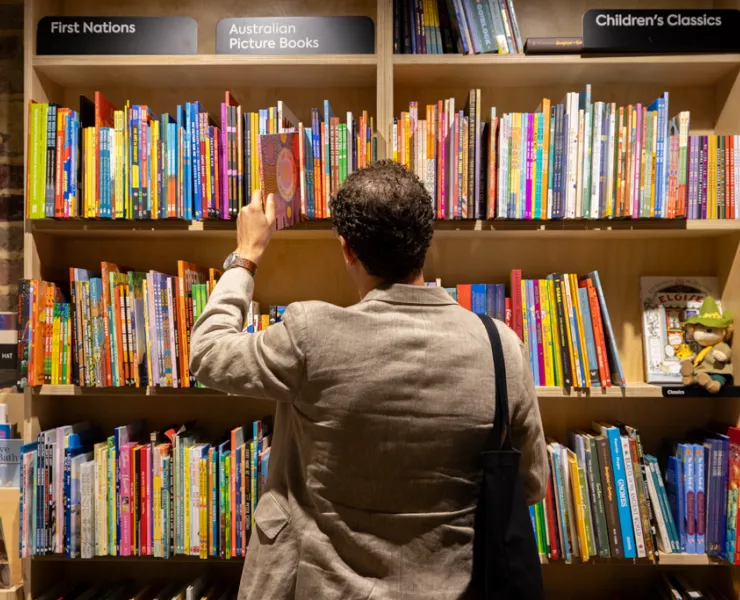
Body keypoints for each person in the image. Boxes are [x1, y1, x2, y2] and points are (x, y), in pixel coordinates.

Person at [189, 160, 548, 600]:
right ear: (425, 241)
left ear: (347, 249)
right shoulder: (501, 348)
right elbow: (531, 483)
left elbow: (207, 354)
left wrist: (245, 256)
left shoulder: (310, 335)